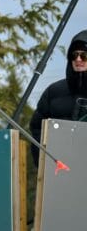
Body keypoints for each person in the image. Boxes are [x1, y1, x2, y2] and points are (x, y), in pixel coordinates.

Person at [30, 30, 87, 165]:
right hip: (58, 170)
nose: (78, 59)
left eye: (84, 55)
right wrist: (45, 164)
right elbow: (36, 128)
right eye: (74, 55)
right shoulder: (54, 91)